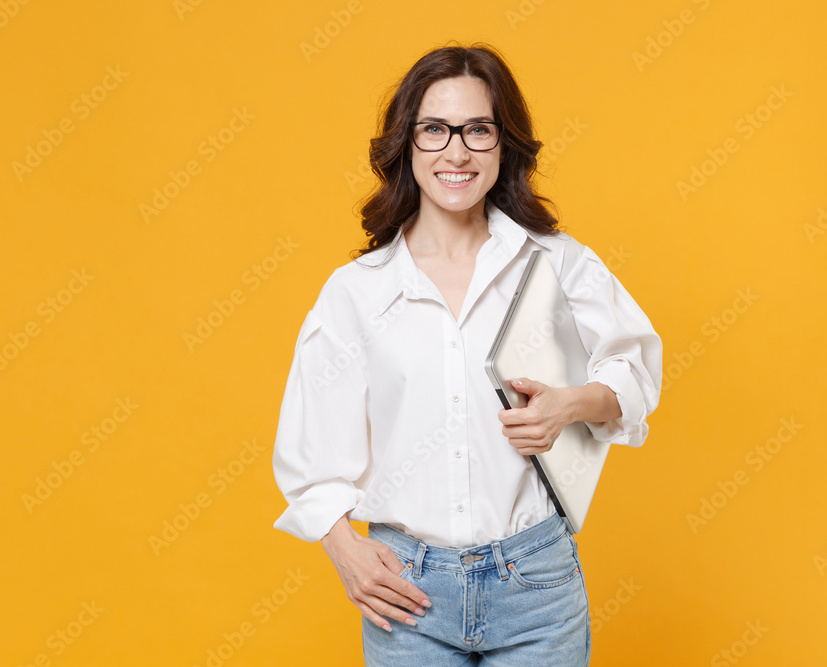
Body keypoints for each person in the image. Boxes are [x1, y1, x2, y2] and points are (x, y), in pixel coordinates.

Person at [271, 42, 662, 666]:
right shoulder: (358, 292)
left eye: (478, 130)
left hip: (536, 586)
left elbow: (634, 373)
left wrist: (569, 405)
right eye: (435, 130)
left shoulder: (555, 261)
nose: (457, 152)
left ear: (504, 145)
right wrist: (345, 550)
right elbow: (311, 447)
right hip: (407, 589)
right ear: (407, 144)